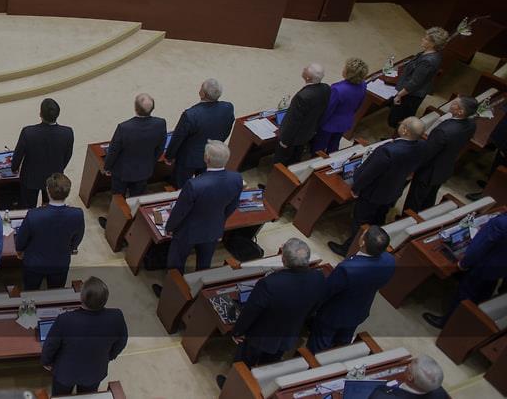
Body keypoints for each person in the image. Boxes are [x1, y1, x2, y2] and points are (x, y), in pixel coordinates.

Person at [220, 239, 325, 387]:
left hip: (259, 337)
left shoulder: (270, 283)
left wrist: (238, 331)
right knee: (268, 367)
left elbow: (251, 311)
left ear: (283, 259)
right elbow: (314, 306)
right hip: (288, 334)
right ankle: (259, 388)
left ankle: (231, 388)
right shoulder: (318, 277)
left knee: (243, 365)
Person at [329, 118, 426, 256]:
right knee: (379, 216)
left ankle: (349, 249)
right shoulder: (421, 146)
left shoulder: (388, 150)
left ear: (405, 130)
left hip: (373, 193)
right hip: (394, 190)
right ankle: (375, 240)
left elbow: (369, 173)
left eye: (402, 124)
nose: (399, 124)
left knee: (360, 221)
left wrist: (356, 188)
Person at [161, 141, 243, 277]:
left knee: (176, 264)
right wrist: (219, 221)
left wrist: (169, 227)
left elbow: (180, 211)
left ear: (206, 159)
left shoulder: (194, 184)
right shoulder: (236, 178)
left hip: (187, 231)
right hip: (213, 229)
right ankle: (199, 286)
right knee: (204, 265)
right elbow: (232, 206)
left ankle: (174, 286)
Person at [308, 226, 395, 352]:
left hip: (334, 314)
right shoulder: (390, 260)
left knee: (319, 344)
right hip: (359, 310)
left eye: (363, 234)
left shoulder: (348, 268)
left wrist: (314, 306)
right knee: (343, 342)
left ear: (363, 242)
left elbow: (327, 291)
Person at [40, 276, 127, 396]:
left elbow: (51, 345)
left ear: (82, 297)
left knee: (61, 396)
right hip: (95, 371)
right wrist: (108, 356)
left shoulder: (65, 320)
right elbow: (122, 342)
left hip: (65, 373)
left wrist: (46, 361)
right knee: (88, 395)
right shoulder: (116, 317)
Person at [423, 212, 507, 328]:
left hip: (483, 267)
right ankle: (469, 320)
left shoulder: (501, 223)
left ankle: (447, 323)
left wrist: (463, 263)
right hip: (500, 270)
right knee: (482, 295)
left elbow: (478, 248)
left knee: (464, 295)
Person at [404, 95, 478, 213]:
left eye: (455, 104)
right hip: (445, 167)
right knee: (429, 198)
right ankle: (424, 216)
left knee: (415, 200)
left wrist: (412, 169)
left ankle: (408, 219)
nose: (451, 104)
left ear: (460, 112)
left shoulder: (443, 131)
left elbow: (428, 153)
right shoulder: (471, 124)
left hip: (428, 171)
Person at [16, 173, 85, 290]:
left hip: (34, 263)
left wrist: (19, 251)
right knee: (56, 291)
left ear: (48, 191)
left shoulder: (34, 215)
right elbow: (78, 237)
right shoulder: (77, 214)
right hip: (60, 263)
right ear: (68, 193)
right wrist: (71, 248)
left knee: (30, 291)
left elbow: (21, 239)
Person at [163, 78, 235, 188]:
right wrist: (217, 144)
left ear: (202, 93)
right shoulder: (228, 108)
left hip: (188, 159)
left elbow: (178, 137)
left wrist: (169, 156)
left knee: (181, 185)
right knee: (204, 184)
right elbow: (228, 128)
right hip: (212, 155)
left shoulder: (190, 115)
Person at [11, 98, 75, 209]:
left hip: (30, 178)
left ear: (40, 114)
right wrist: (58, 169)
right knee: (50, 206)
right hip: (54, 179)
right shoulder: (67, 133)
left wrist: (14, 168)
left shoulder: (28, 132)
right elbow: (67, 156)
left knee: (28, 208)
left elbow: (18, 155)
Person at [101, 93, 167, 198]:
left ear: (135, 108)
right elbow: (160, 148)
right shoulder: (161, 124)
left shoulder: (124, 128)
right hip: (144, 171)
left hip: (121, 172)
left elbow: (114, 150)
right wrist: (150, 163)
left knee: (118, 198)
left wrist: (107, 167)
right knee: (137, 199)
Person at [388, 27, 448, 129]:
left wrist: (399, 95)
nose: (422, 39)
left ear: (433, 44)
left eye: (426, 39)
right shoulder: (430, 53)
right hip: (411, 90)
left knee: (396, 120)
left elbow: (415, 82)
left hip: (411, 95)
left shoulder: (428, 61)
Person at [274, 63, 331, 166]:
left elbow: (294, 121)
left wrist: (284, 141)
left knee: (281, 161)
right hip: (308, 133)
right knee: (296, 158)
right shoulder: (326, 88)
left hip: (293, 138)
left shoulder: (303, 97)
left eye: (306, 69)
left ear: (308, 78)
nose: (304, 68)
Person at [312, 58, 370, 153]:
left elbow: (328, 109)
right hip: (345, 122)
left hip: (329, 124)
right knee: (334, 145)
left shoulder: (338, 89)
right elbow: (358, 105)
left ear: (349, 73)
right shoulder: (363, 85)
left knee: (319, 148)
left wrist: (318, 123)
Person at [368, 355, 449, 398]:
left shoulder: (382, 395)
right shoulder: (440, 393)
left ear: (410, 377)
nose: (408, 365)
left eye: (410, 365)